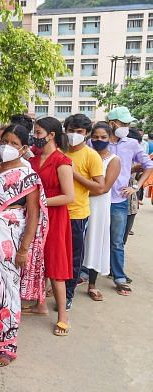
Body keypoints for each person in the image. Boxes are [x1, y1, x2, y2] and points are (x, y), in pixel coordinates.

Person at [0, 124, 47, 366]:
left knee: (6, 290)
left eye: (14, 143)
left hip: (9, 241)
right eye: (4, 142)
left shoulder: (27, 176)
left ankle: (7, 345)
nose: (7, 147)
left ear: (24, 148)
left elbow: (33, 214)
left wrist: (24, 249)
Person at [25, 117, 74, 337]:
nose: (35, 136)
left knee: (55, 267)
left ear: (51, 135)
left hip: (54, 216)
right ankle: (40, 305)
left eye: (38, 132)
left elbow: (69, 196)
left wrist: (41, 202)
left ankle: (63, 316)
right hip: (36, 215)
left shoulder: (62, 161)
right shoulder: (33, 159)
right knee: (37, 260)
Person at [105, 107, 153, 296]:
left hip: (119, 199)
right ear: (112, 124)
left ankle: (119, 277)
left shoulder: (132, 143)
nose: (126, 127)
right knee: (91, 237)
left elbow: (149, 165)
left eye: (127, 124)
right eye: (123, 124)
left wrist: (137, 186)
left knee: (117, 241)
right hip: (97, 198)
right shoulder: (99, 142)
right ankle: (85, 273)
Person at [64, 114, 103, 311]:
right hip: (55, 211)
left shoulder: (91, 156)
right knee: (53, 254)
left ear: (86, 134)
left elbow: (99, 187)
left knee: (73, 257)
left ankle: (68, 295)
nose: (74, 135)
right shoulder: (60, 150)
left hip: (77, 214)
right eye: (71, 130)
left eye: (79, 132)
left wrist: (75, 174)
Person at [81, 122, 120, 302]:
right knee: (77, 242)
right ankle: (70, 281)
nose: (98, 140)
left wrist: (77, 188)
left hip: (98, 205)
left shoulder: (113, 160)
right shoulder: (85, 155)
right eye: (95, 136)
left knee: (96, 241)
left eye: (103, 137)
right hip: (79, 203)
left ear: (110, 138)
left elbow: (103, 189)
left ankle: (92, 285)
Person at [123, 128, 144, 245]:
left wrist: (140, 174)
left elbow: (137, 178)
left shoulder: (137, 158)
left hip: (132, 205)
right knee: (115, 242)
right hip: (117, 204)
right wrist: (132, 170)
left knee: (122, 241)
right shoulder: (115, 156)